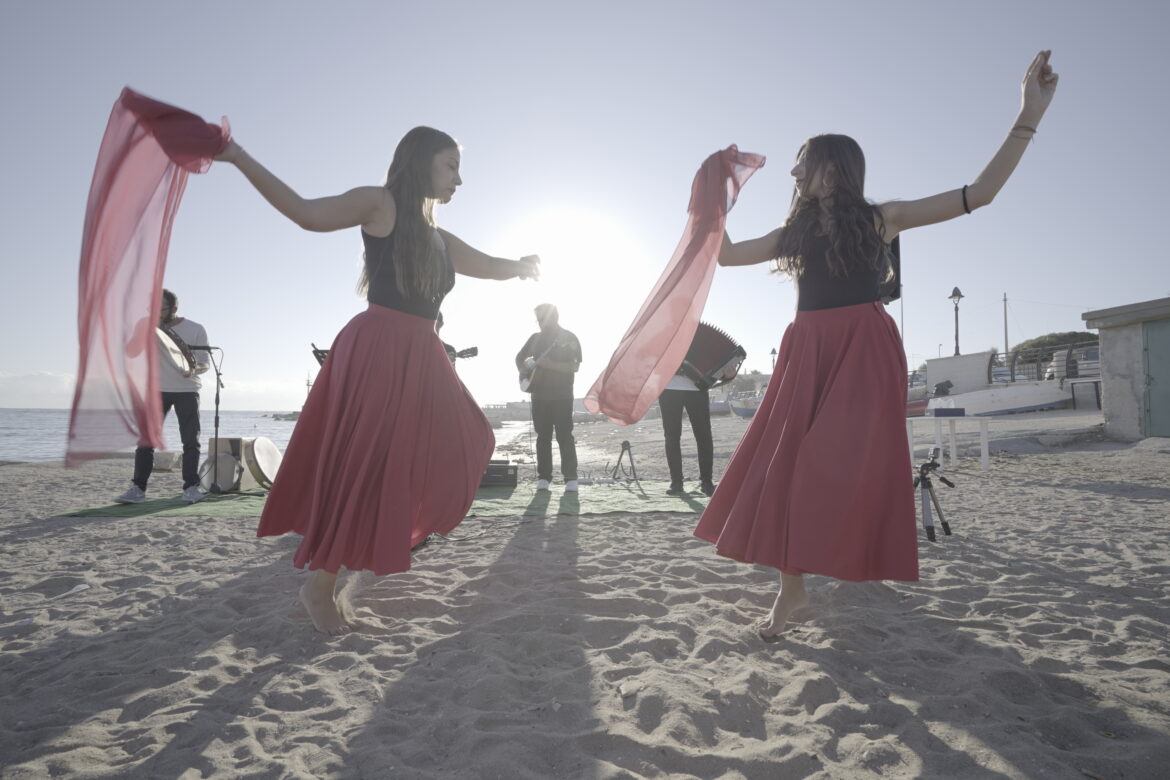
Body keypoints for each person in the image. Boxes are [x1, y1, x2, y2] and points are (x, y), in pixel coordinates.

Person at [695, 51, 1058, 639]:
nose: (792, 175)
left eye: (801, 165)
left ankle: (828, 566)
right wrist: (710, 197)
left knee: (827, 464)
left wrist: (1028, 115)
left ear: (831, 171)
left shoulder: (883, 219)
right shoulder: (795, 233)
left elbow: (980, 194)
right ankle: (792, 593)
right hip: (806, 349)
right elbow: (728, 254)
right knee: (788, 466)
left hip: (862, 351)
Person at [215, 126, 539, 635]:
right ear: (420, 161)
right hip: (379, 349)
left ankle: (347, 566)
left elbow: (489, 265)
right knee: (365, 467)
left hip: (420, 355)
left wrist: (522, 266)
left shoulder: (440, 238)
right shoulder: (380, 204)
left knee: (470, 439)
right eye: (450, 165)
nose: (459, 178)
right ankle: (318, 587)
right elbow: (305, 213)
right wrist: (237, 156)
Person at [114, 289, 210, 505]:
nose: (155, 313)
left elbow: (205, 362)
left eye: (161, 309)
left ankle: (191, 488)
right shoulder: (145, 325)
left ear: (174, 309)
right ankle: (138, 489)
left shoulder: (195, 328)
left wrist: (192, 371)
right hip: (156, 389)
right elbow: (131, 352)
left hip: (186, 389)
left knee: (190, 442)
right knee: (146, 441)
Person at [660, 324, 741, 497]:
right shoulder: (665, 330)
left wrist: (730, 374)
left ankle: (706, 482)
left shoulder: (702, 333)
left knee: (704, 436)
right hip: (669, 388)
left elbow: (723, 369)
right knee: (672, 436)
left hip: (698, 389)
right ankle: (676, 483)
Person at [515, 303, 581, 491]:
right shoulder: (534, 339)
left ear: (555, 317)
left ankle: (571, 479)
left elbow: (574, 366)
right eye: (538, 318)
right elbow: (519, 358)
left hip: (562, 395)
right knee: (542, 437)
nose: (540, 322)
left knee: (564, 436)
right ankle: (544, 478)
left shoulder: (569, 337)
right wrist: (524, 370)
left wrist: (550, 364)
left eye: (543, 318)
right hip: (539, 396)